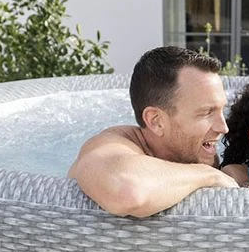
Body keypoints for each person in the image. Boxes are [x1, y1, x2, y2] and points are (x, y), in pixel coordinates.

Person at [68, 46, 238, 217]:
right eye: (207, 113)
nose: (223, 128)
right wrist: (209, 175)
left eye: (222, 110)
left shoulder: (193, 152)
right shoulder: (106, 146)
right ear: (156, 121)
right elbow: (129, 192)